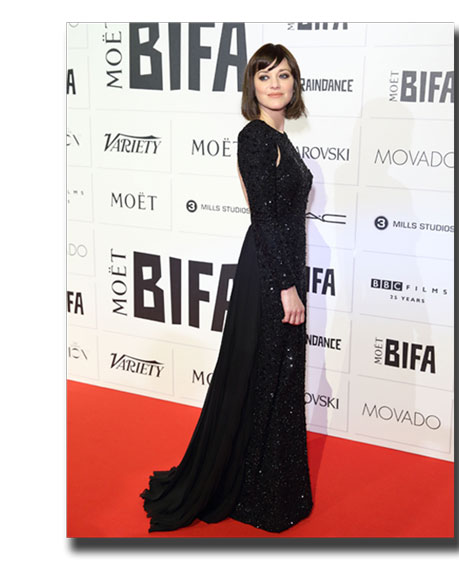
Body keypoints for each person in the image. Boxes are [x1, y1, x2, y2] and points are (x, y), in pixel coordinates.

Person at [140, 43, 314, 533]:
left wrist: (293, 279)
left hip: (283, 268)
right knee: (263, 375)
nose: (275, 84)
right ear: (251, 86)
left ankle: (265, 486)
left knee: (276, 377)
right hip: (270, 274)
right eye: (264, 76)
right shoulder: (255, 137)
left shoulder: (281, 138)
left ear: (295, 83)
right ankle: (250, 488)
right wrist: (285, 287)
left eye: (283, 75)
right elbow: (265, 218)